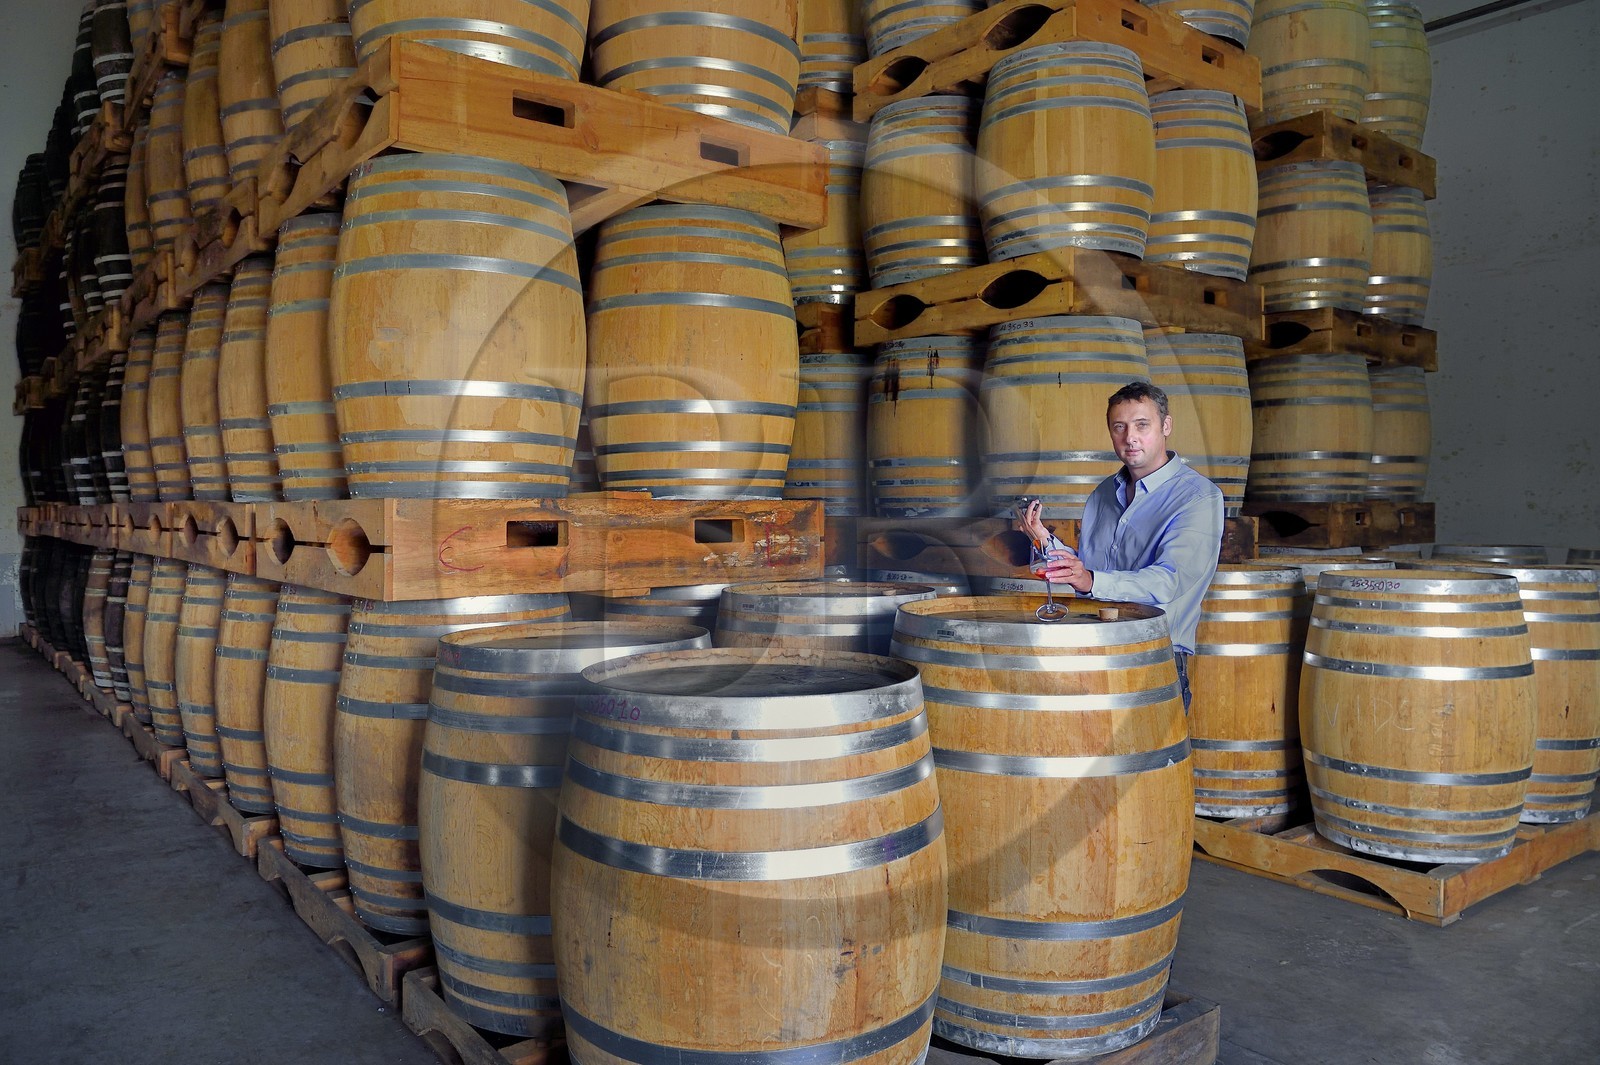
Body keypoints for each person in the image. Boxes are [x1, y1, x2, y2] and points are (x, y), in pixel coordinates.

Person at [1018, 381, 1223, 711]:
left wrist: (1091, 580)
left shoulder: (1199, 497)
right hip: (1090, 653)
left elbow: (1168, 582)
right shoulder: (1101, 494)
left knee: (1149, 764)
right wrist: (1043, 538)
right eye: (1119, 427)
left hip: (1153, 662)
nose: (1130, 437)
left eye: (1142, 425)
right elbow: (1090, 571)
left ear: (1166, 425)